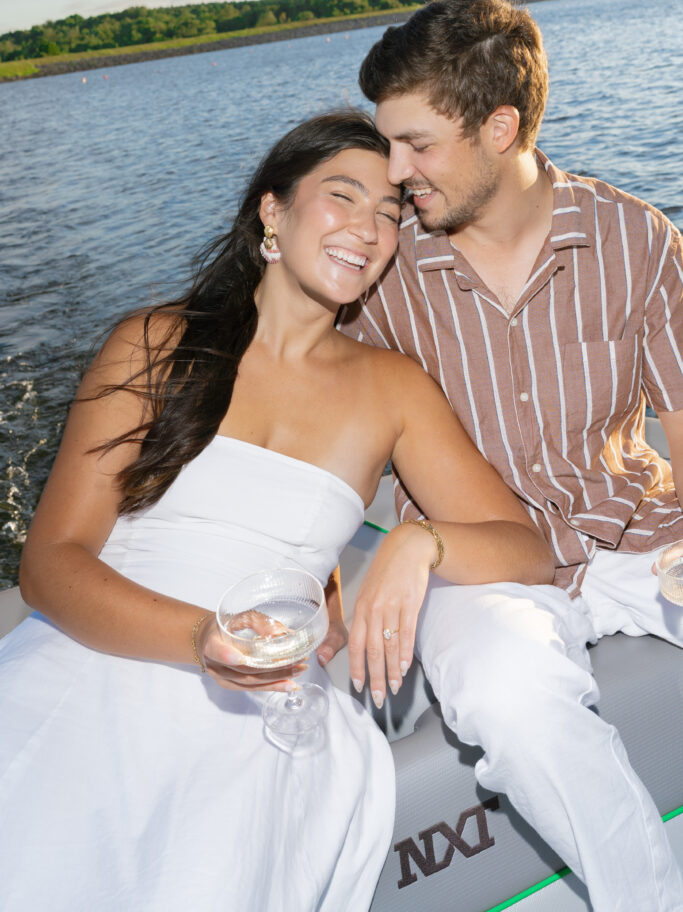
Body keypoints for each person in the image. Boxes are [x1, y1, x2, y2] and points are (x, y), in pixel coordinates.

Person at [0, 109, 553, 912]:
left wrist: (417, 543)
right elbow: (50, 566)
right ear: (273, 210)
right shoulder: (152, 345)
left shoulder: (392, 388)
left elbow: (523, 548)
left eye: (388, 215)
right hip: (99, 646)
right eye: (341, 197)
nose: (366, 230)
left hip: (262, 696)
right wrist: (200, 639)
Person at [340, 0, 683, 910]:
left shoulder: (636, 238)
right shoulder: (378, 266)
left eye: (417, 144)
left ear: (499, 127)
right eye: (387, 143)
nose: (394, 170)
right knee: (508, 695)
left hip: (638, 535)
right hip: (475, 566)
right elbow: (312, 413)